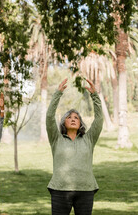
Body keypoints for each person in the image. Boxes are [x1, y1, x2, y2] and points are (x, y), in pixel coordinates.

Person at [46, 78, 104, 215]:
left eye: (76, 117)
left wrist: (95, 95)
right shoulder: (56, 138)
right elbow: (49, 117)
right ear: (63, 122)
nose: (73, 119)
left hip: (86, 190)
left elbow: (99, 119)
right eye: (69, 117)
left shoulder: (89, 139)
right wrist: (57, 94)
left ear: (80, 123)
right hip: (60, 189)